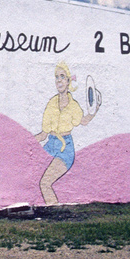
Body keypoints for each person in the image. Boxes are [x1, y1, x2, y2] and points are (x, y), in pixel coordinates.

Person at [36, 62, 99, 204]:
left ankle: (54, 214)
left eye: (62, 76)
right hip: (50, 145)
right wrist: (25, 141)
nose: (59, 80)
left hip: (65, 149)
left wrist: (94, 110)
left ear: (69, 80)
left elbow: (83, 121)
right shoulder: (51, 103)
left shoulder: (73, 106)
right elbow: (43, 134)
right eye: (56, 77)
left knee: (45, 183)